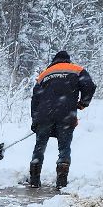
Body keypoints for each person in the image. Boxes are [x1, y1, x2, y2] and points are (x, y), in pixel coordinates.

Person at [27, 51, 95, 189]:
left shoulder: (45, 74)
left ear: (54, 61)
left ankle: (34, 179)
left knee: (39, 147)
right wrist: (83, 103)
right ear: (67, 60)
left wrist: (35, 119)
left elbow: (35, 98)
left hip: (44, 115)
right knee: (64, 148)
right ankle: (61, 181)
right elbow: (89, 86)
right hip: (66, 115)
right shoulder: (77, 70)